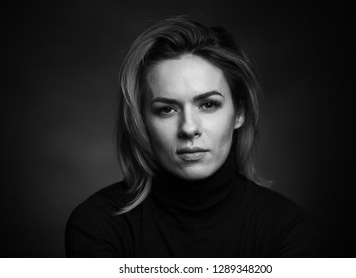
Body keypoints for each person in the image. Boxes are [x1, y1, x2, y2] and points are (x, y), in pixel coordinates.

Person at [65, 16, 317, 257]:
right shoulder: (98, 224)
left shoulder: (288, 229)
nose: (188, 128)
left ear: (239, 112)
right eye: (167, 109)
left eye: (208, 105)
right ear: (142, 122)